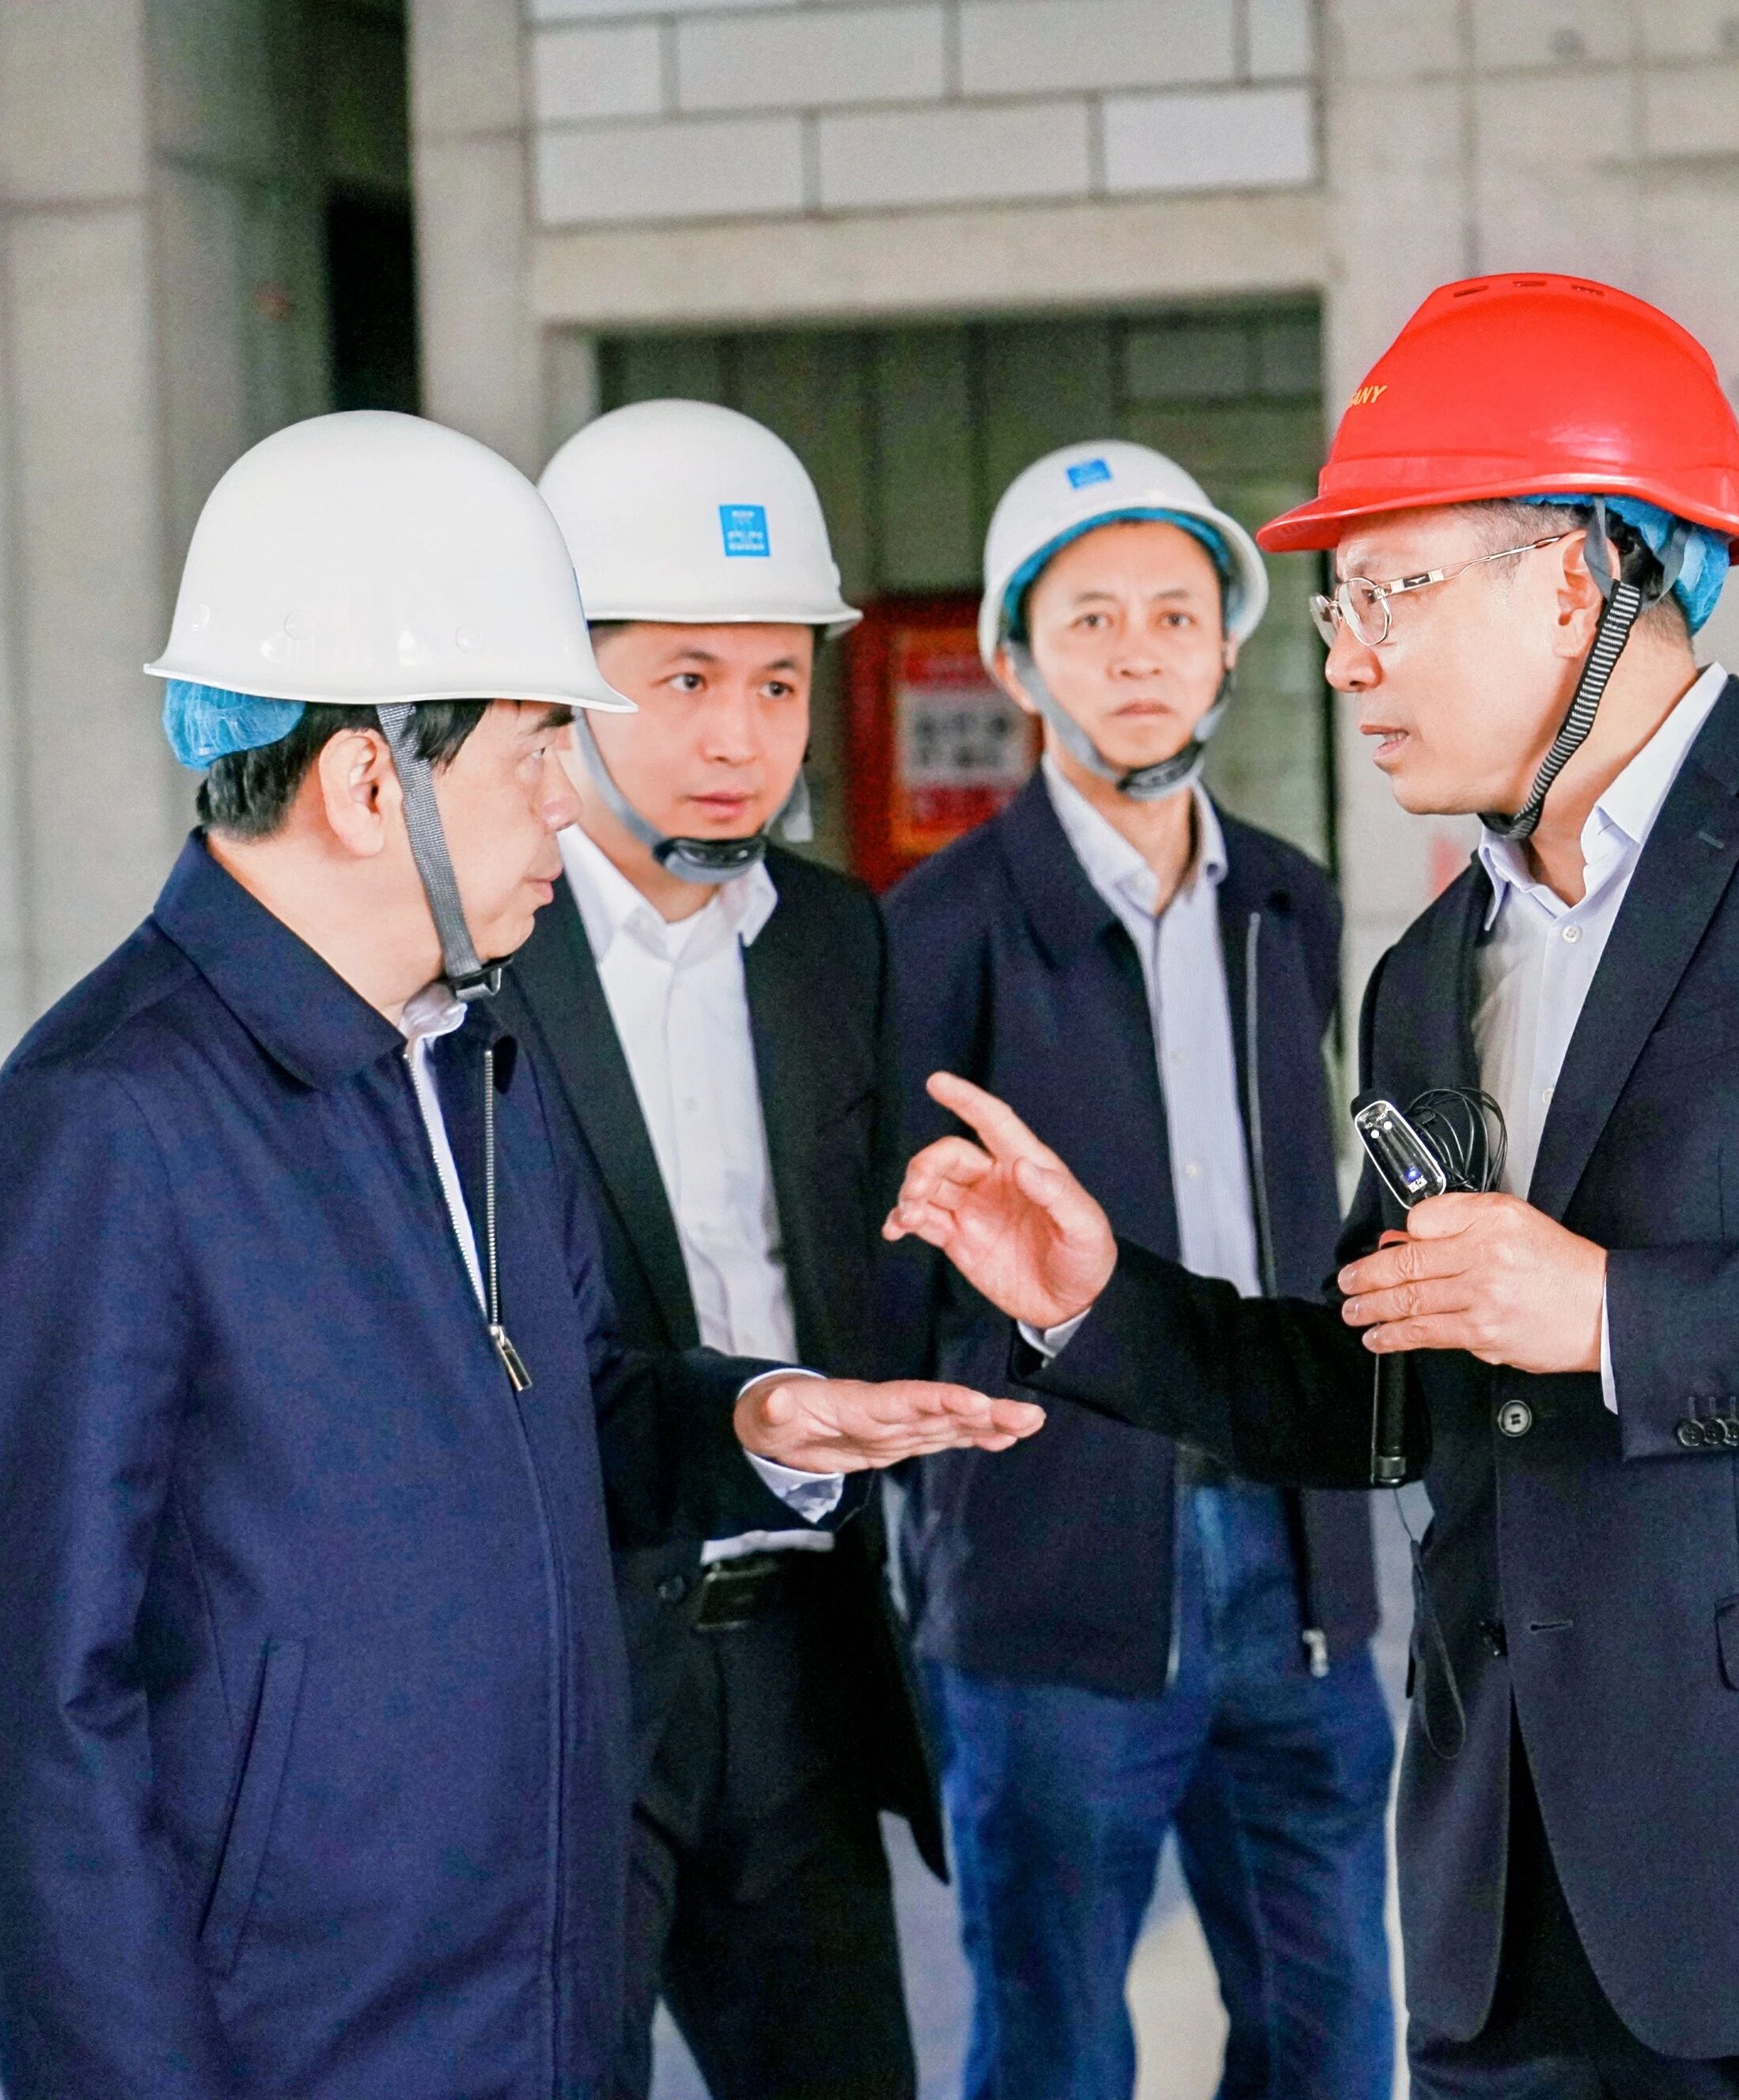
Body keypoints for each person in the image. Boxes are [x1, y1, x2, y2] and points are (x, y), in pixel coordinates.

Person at [888, 275, 1739, 2098]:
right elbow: (1392, 1387)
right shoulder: (1431, 969)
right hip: (1511, 1910)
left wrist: (1612, 1312)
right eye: (1338, 608)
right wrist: (1098, 1300)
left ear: (1575, 579)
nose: (1344, 660)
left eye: (1386, 593)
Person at [0, 409, 1037, 2099]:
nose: (568, 807)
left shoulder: (463, 1058)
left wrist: (753, 1420)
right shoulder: (101, 1129)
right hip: (304, 2041)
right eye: (531, 751)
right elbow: (23, 1708)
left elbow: (569, 1406)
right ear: (372, 784)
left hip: (528, 1984)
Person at [885, 439, 1391, 2100]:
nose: (1136, 652)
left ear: (1227, 647)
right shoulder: (936, 929)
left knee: (1333, 2037)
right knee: (1053, 2048)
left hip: (1294, 1563)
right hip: (1054, 1571)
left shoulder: (1290, 905)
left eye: (1173, 613)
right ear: (1016, 662)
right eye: (1087, 618)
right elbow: (894, 1274)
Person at [510, 399, 941, 2098]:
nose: (736, 737)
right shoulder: (477, 949)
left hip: (802, 1649)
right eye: (682, 678)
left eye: (775, 683)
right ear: (566, 677)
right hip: (564, 1669)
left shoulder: (834, 942)